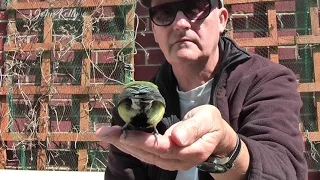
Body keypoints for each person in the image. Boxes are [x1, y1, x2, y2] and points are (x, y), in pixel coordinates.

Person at [96, 0, 308, 179]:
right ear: (154, 30)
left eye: (194, 8)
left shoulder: (268, 81)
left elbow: (285, 168)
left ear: (222, 20)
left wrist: (227, 148)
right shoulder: (135, 105)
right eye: (164, 13)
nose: (180, 23)